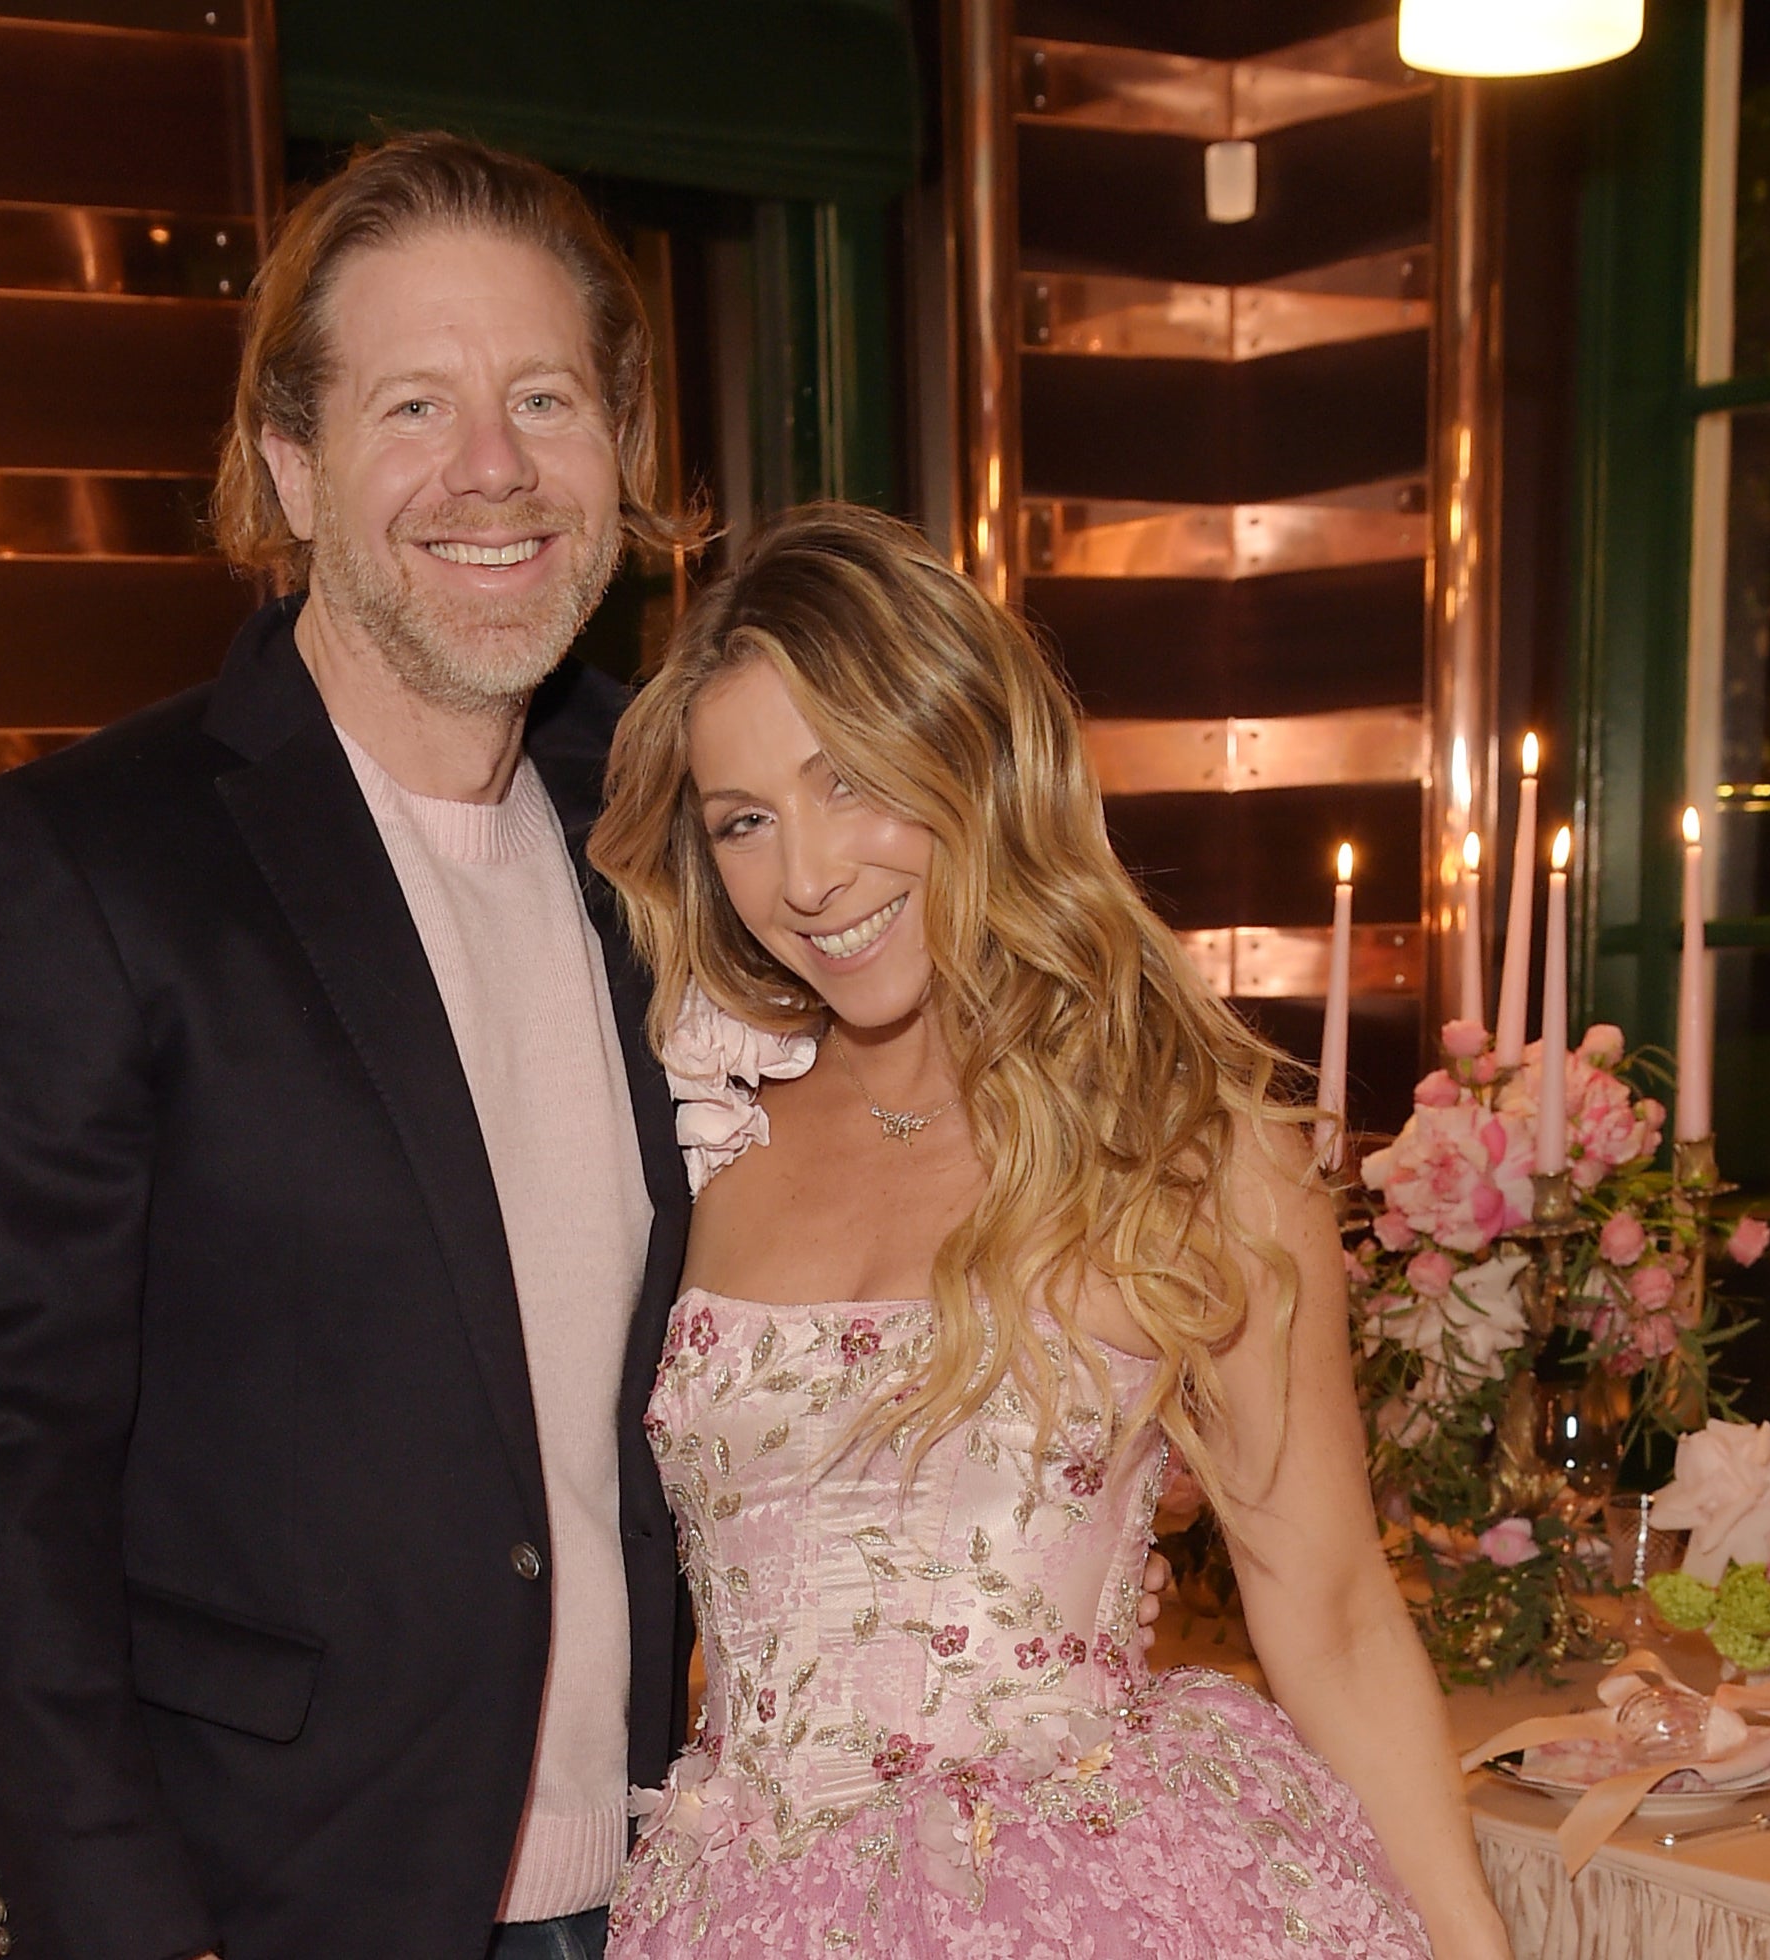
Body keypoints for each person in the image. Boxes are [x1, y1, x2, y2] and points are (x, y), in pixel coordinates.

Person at [0, 133, 698, 1960]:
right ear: (291, 464)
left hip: (667, 1883)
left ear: (619, 458)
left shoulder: (675, 827)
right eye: (415, 404)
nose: (494, 468)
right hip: (275, 1905)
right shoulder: (77, 865)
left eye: (545, 397)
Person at [586, 505, 1513, 1958]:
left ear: (977, 760)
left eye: (854, 783)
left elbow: (1327, 1611)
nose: (810, 878)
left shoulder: (1198, 1156)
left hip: (1089, 1906)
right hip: (737, 1912)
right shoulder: (698, 1133)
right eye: (745, 823)